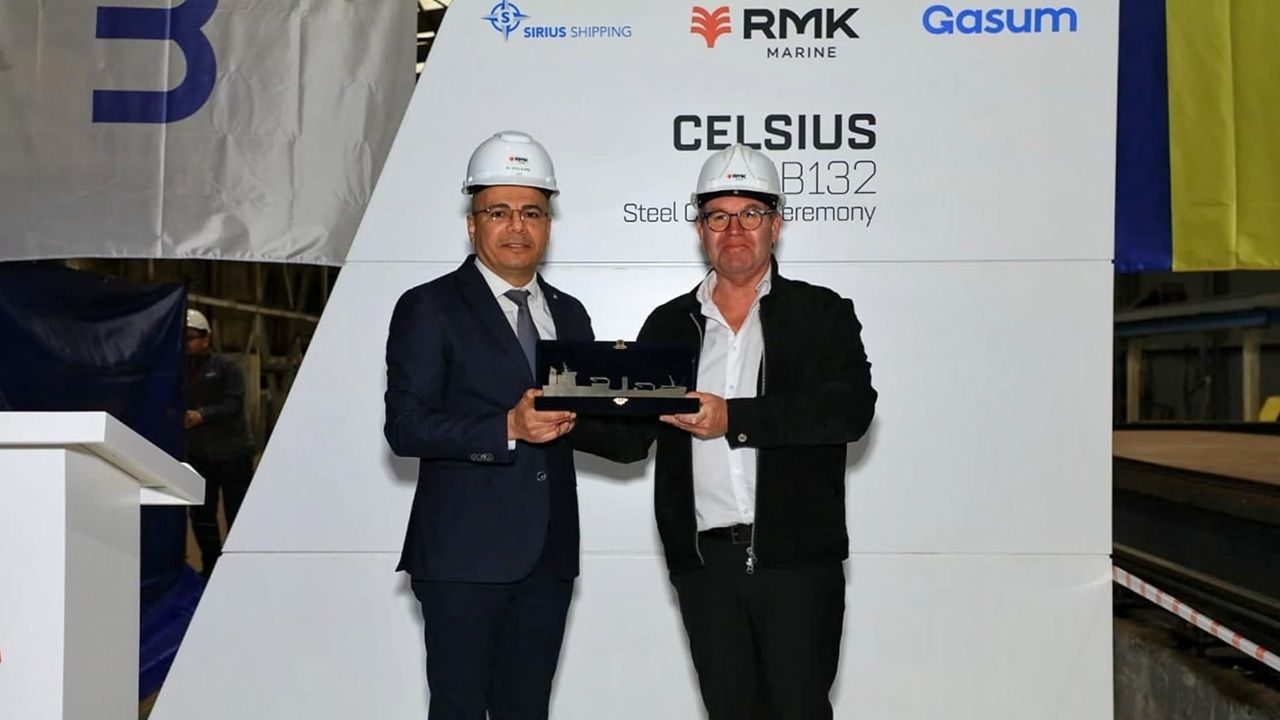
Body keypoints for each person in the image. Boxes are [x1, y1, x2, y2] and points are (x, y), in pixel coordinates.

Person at [574, 144, 877, 719]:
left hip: (798, 566)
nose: (734, 230)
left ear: (776, 225)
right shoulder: (670, 323)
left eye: (750, 214)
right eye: (718, 216)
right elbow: (632, 438)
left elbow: (849, 412)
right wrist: (563, 419)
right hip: (705, 566)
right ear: (699, 230)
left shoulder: (822, 314)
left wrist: (733, 418)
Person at [383, 130, 593, 720]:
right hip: (462, 558)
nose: (516, 226)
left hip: (549, 557)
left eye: (531, 212)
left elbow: (585, 421)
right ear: (472, 224)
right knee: (459, 709)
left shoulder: (571, 314)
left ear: (548, 224)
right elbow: (406, 426)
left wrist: (648, 407)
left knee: (527, 710)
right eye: (498, 212)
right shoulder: (430, 306)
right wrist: (506, 426)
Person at [183, 308, 256, 579]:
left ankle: (240, 568)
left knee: (237, 512)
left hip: (233, 454)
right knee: (202, 514)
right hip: (200, 456)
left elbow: (233, 404)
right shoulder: (177, 371)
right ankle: (211, 568)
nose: (186, 344)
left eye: (190, 338)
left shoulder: (227, 368)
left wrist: (201, 415)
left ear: (206, 339)